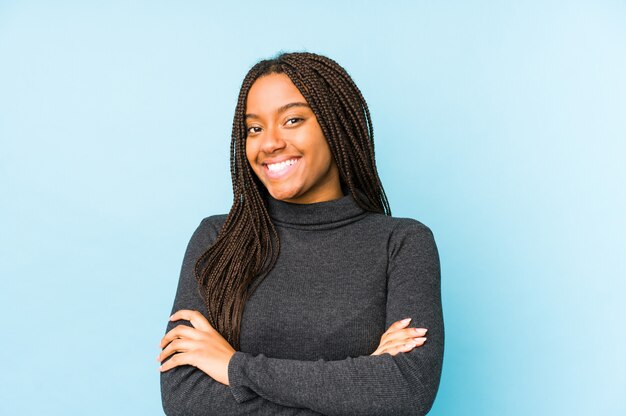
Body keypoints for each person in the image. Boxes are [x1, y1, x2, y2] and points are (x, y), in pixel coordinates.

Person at [158, 51, 444, 415]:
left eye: (292, 120)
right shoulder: (217, 239)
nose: (269, 143)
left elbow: (404, 393)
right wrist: (360, 383)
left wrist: (234, 367)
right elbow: (186, 401)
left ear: (334, 125)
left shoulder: (402, 244)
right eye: (254, 128)